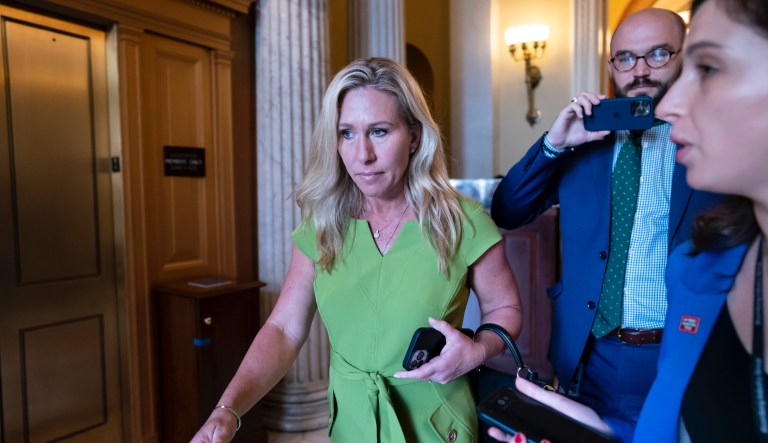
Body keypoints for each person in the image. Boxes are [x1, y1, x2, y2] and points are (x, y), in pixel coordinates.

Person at [190, 57, 522, 443]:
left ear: (414, 135)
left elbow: (506, 308)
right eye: (346, 133)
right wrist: (227, 409)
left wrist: (478, 350)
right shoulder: (323, 223)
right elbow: (284, 329)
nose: (362, 155)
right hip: (352, 424)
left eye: (379, 132)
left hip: (436, 421)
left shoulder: (461, 219)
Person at [490, 0, 768, 441]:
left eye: (659, 54)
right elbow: (508, 209)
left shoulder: (714, 150)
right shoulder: (585, 142)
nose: (640, 70)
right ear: (611, 65)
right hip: (590, 351)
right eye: (625, 58)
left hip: (680, 345)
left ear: (685, 55)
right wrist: (555, 144)